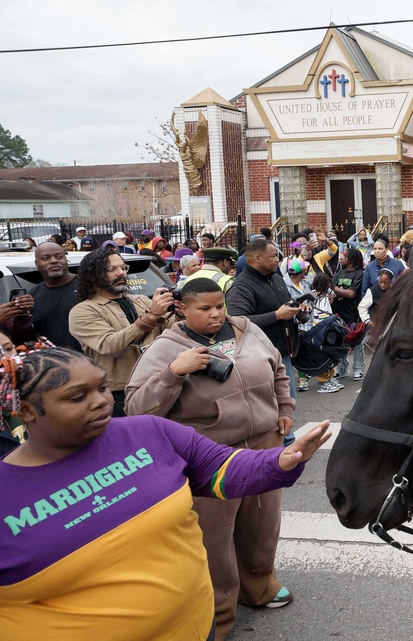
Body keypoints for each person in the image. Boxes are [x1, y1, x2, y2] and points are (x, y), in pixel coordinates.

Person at [0, 347, 331, 640]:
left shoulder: (148, 432)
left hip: (198, 628)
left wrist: (280, 461)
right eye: (77, 397)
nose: (101, 401)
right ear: (27, 411)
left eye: (102, 387)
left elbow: (222, 470)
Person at [125, 279, 297, 638]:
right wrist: (174, 372)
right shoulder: (166, 347)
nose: (216, 314)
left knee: (263, 525)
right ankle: (216, 612)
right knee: (214, 538)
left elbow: (278, 370)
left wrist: (284, 408)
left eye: (220, 305)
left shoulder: (246, 330)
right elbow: (136, 408)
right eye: (205, 308)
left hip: (265, 444)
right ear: (183, 309)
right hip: (210, 455)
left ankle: (259, 586)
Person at [68, 248, 176, 417]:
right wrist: (151, 316)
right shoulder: (83, 311)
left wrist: (182, 312)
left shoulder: (140, 300)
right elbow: (110, 346)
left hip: (156, 380)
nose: (121, 273)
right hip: (120, 392)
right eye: (112, 269)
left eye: (123, 268)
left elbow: (171, 331)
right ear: (93, 275)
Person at [225, 238, 303, 436]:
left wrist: (298, 309)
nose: (277, 259)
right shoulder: (241, 286)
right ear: (257, 258)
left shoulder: (275, 278)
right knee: (274, 418)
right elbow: (237, 321)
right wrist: (276, 315)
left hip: (283, 355)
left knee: (286, 411)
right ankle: (281, 456)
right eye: (273, 256)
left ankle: (284, 450)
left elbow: (285, 306)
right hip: (259, 360)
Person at [29, 242, 81, 351]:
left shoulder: (89, 286)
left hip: (91, 362)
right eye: (45, 258)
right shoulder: (31, 297)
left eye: (59, 257)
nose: (54, 261)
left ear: (65, 259)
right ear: (36, 263)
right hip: (53, 363)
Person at [331, 247, 366, 381]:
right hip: (338, 312)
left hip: (353, 313)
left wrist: (335, 289)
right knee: (340, 340)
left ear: (351, 259)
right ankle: (342, 368)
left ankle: (358, 368)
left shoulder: (359, 274)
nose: (341, 258)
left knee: (356, 341)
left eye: (344, 256)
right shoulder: (339, 273)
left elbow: (352, 293)